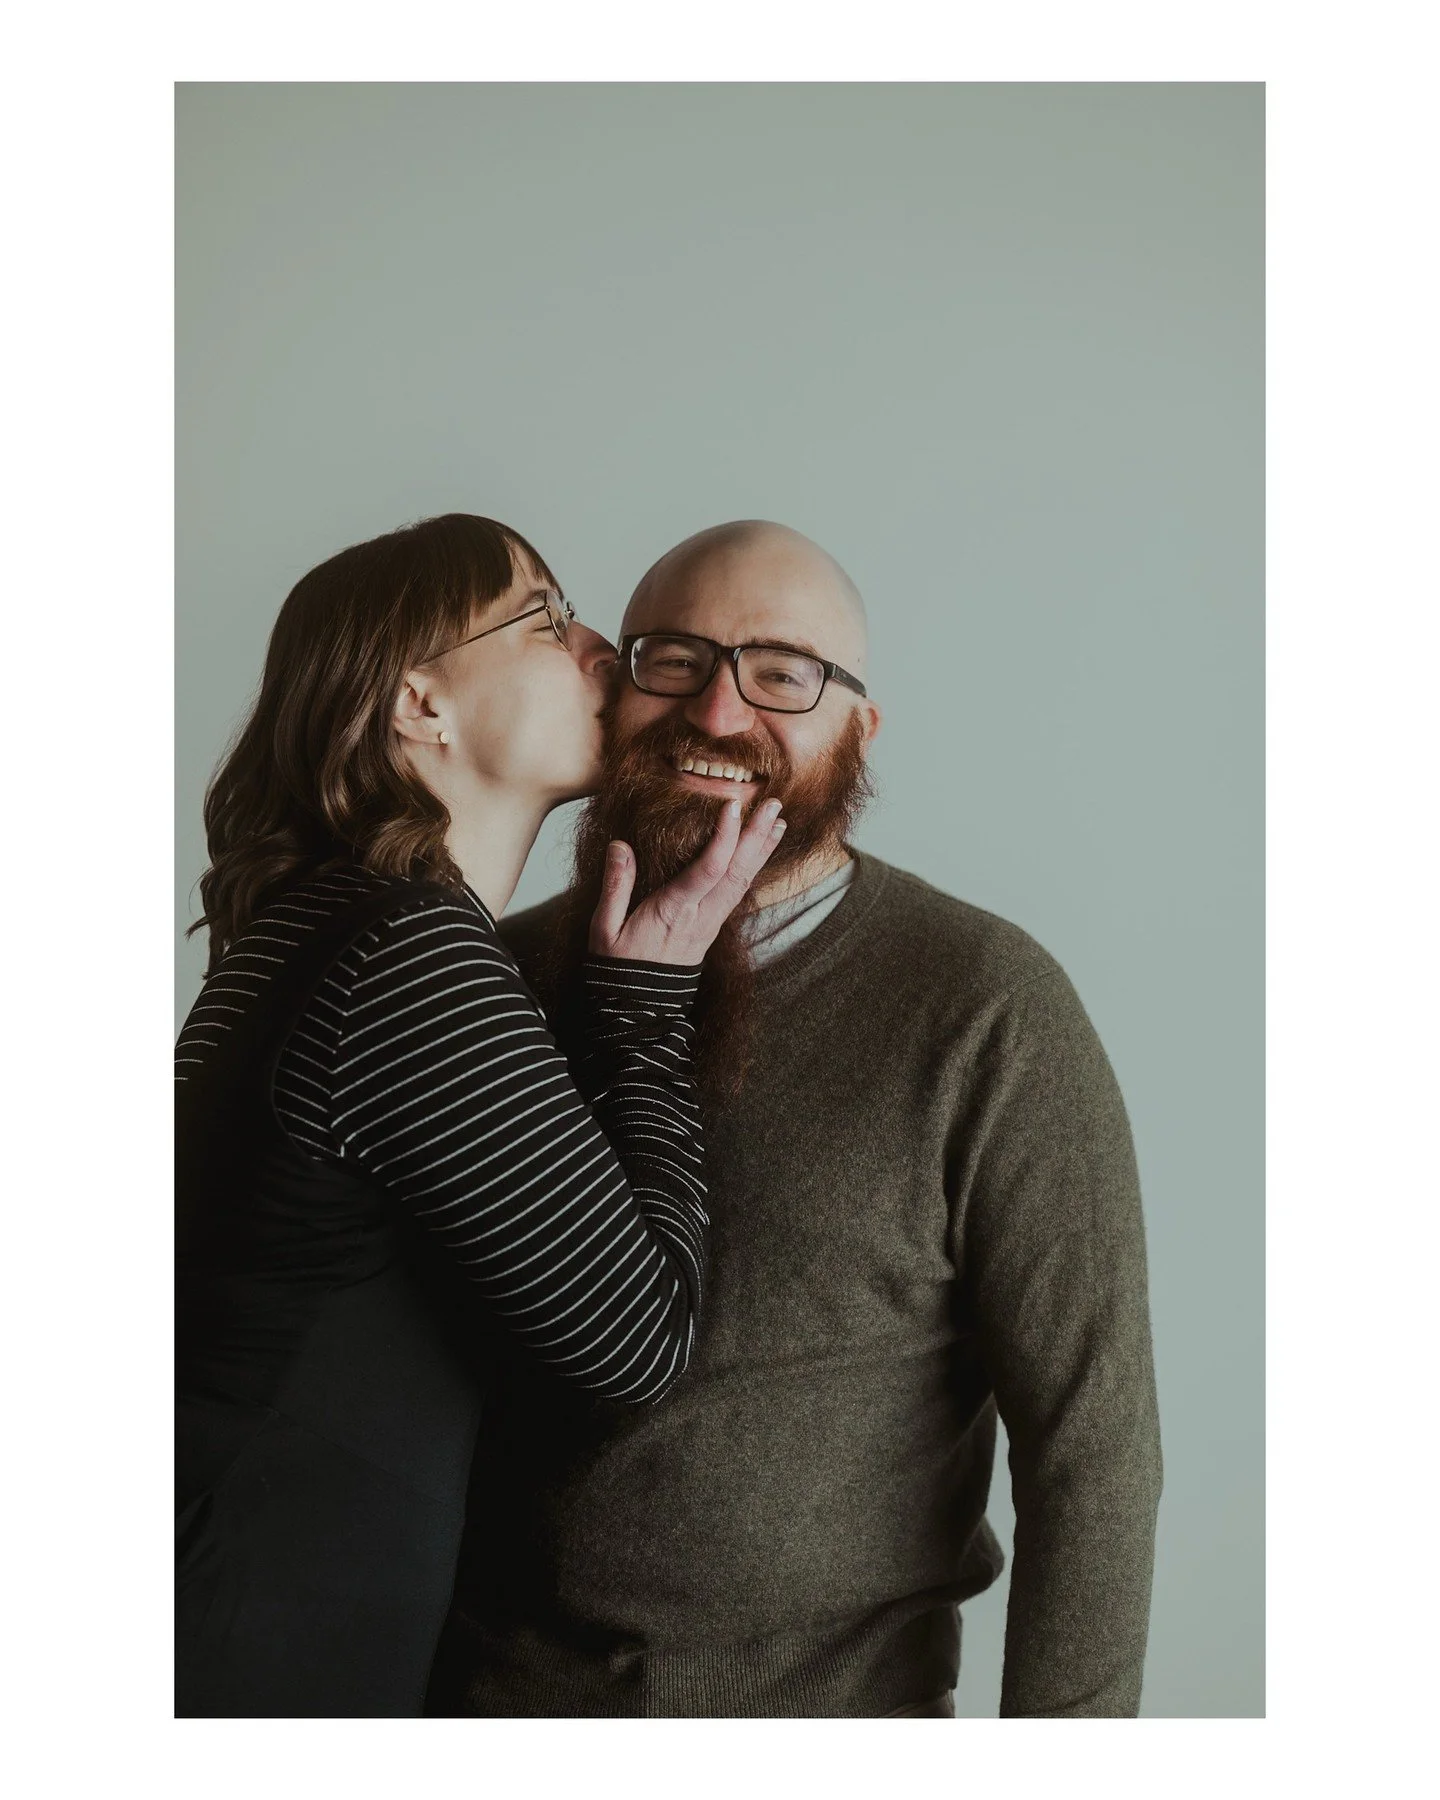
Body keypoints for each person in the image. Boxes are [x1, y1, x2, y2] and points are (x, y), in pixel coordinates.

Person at [426, 519, 1164, 1719]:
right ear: (611, 689)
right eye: (674, 658)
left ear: (862, 729)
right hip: (485, 1705)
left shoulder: (985, 1006)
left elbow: (1094, 1451)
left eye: (784, 674)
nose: (718, 716)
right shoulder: (489, 982)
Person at [174, 513, 786, 1717]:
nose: (599, 644)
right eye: (544, 621)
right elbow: (637, 1344)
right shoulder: (408, 955)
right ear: (420, 705)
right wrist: (648, 1008)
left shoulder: (328, 923)